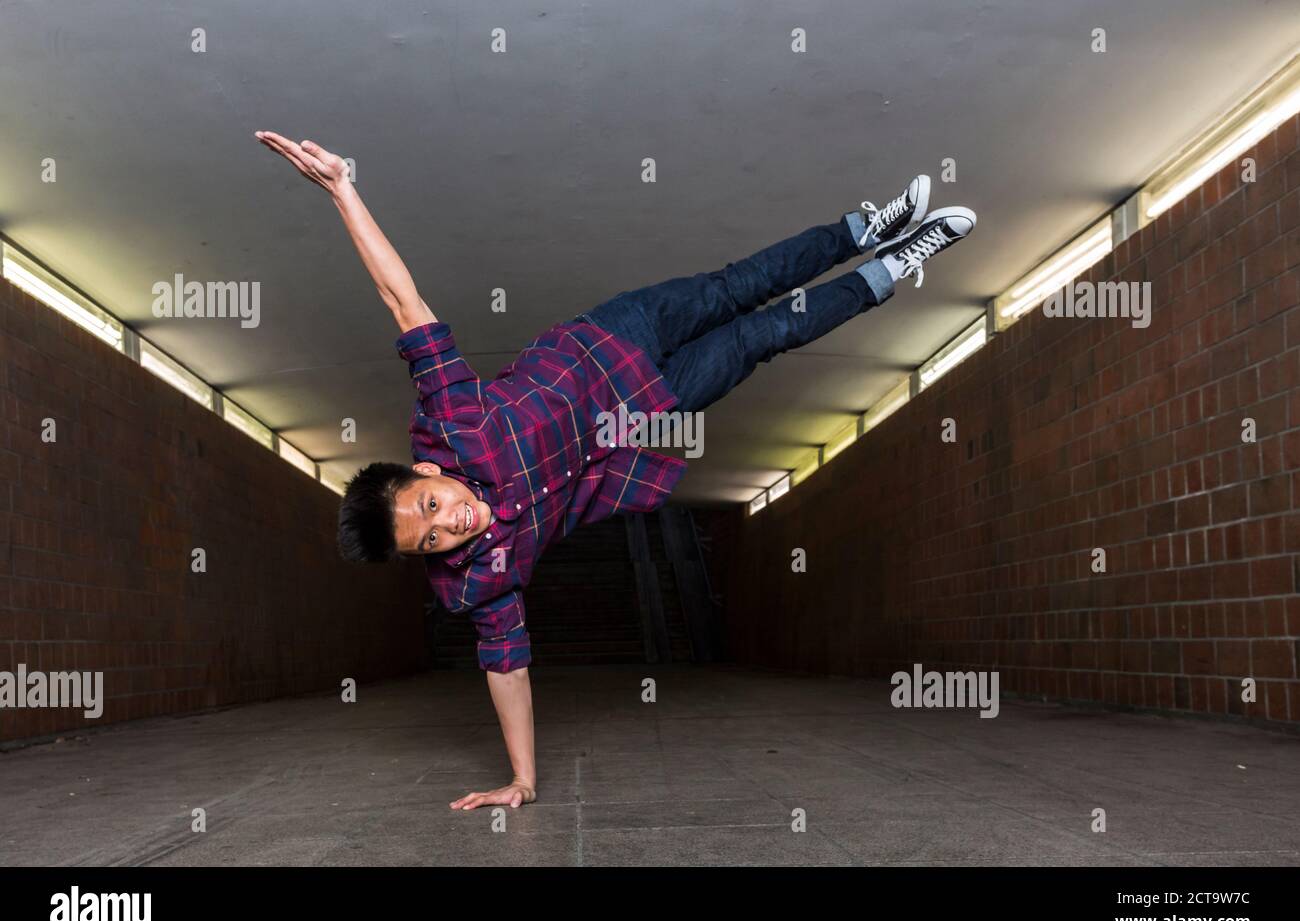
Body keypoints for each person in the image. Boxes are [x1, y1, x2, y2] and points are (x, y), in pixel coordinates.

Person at [255, 130, 976, 810]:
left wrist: (343, 190)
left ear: (423, 469)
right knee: (766, 333)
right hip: (644, 420)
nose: (452, 522)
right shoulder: (479, 580)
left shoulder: (450, 417)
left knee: (736, 287)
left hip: (614, 335)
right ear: (428, 561)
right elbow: (506, 669)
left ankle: (864, 228)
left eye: (433, 505)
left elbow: (400, 300)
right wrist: (522, 781)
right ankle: (890, 270)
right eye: (434, 540)